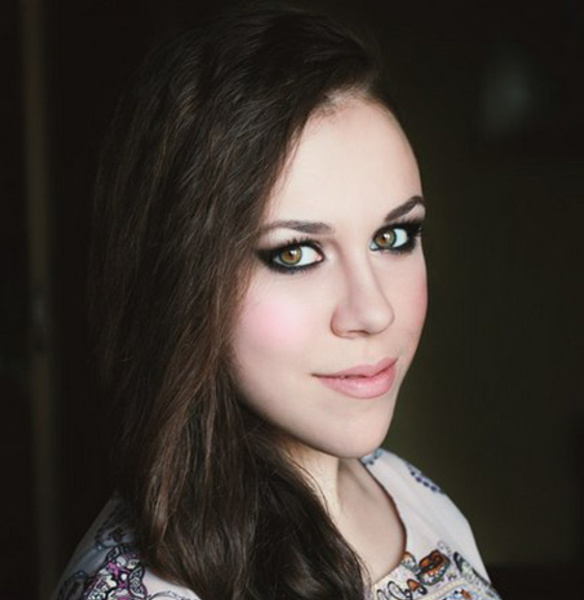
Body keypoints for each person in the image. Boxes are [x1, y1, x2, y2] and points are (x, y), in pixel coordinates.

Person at [51, 6, 501, 600]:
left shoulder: (408, 493)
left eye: (393, 237)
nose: (373, 312)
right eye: (295, 253)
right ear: (182, 279)